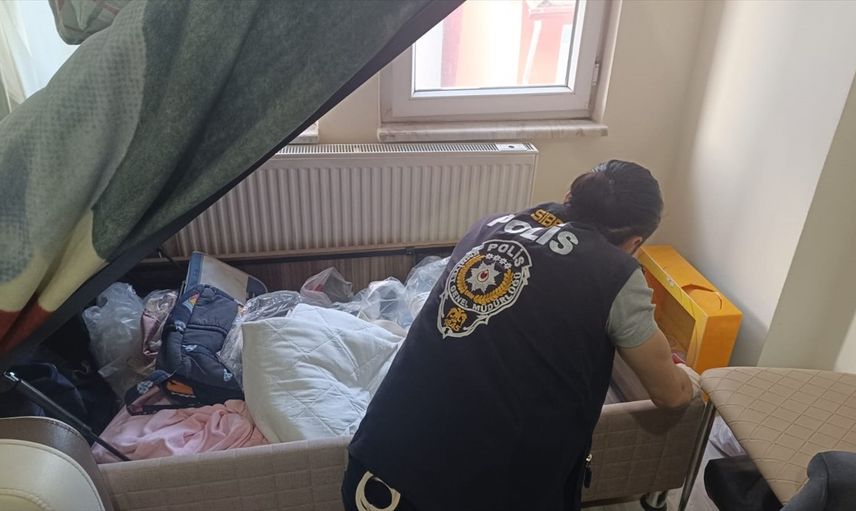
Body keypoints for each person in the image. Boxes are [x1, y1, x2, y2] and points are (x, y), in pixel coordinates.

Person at [343, 160, 699, 511]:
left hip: (372, 470)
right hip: (455, 495)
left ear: (569, 198)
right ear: (635, 241)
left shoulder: (488, 226)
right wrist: (691, 379)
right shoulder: (616, 273)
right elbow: (670, 395)